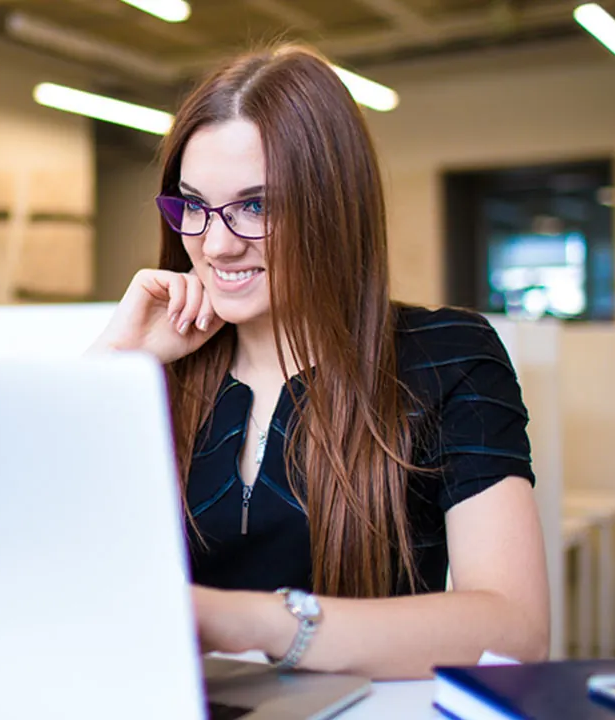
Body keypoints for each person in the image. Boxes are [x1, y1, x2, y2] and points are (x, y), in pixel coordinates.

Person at [89, 44, 550, 680]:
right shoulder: (151, 365)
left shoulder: (447, 354)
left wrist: (244, 622)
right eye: (193, 205)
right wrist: (112, 369)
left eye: (257, 206)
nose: (216, 244)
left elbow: (514, 629)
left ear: (332, 208)